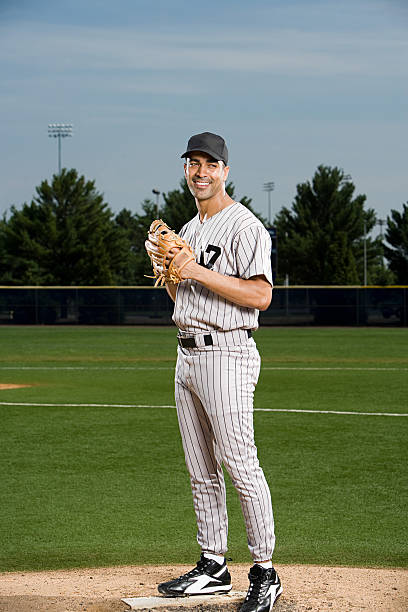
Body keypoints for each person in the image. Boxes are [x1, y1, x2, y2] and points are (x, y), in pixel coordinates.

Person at [155, 132, 282, 611]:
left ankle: (265, 572)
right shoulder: (186, 230)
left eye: (210, 164)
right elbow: (183, 296)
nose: (200, 172)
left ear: (225, 171)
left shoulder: (245, 227)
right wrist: (169, 269)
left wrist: (194, 271)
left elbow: (261, 297)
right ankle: (213, 564)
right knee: (200, 469)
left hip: (227, 353)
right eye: (193, 163)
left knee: (240, 464)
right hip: (187, 352)